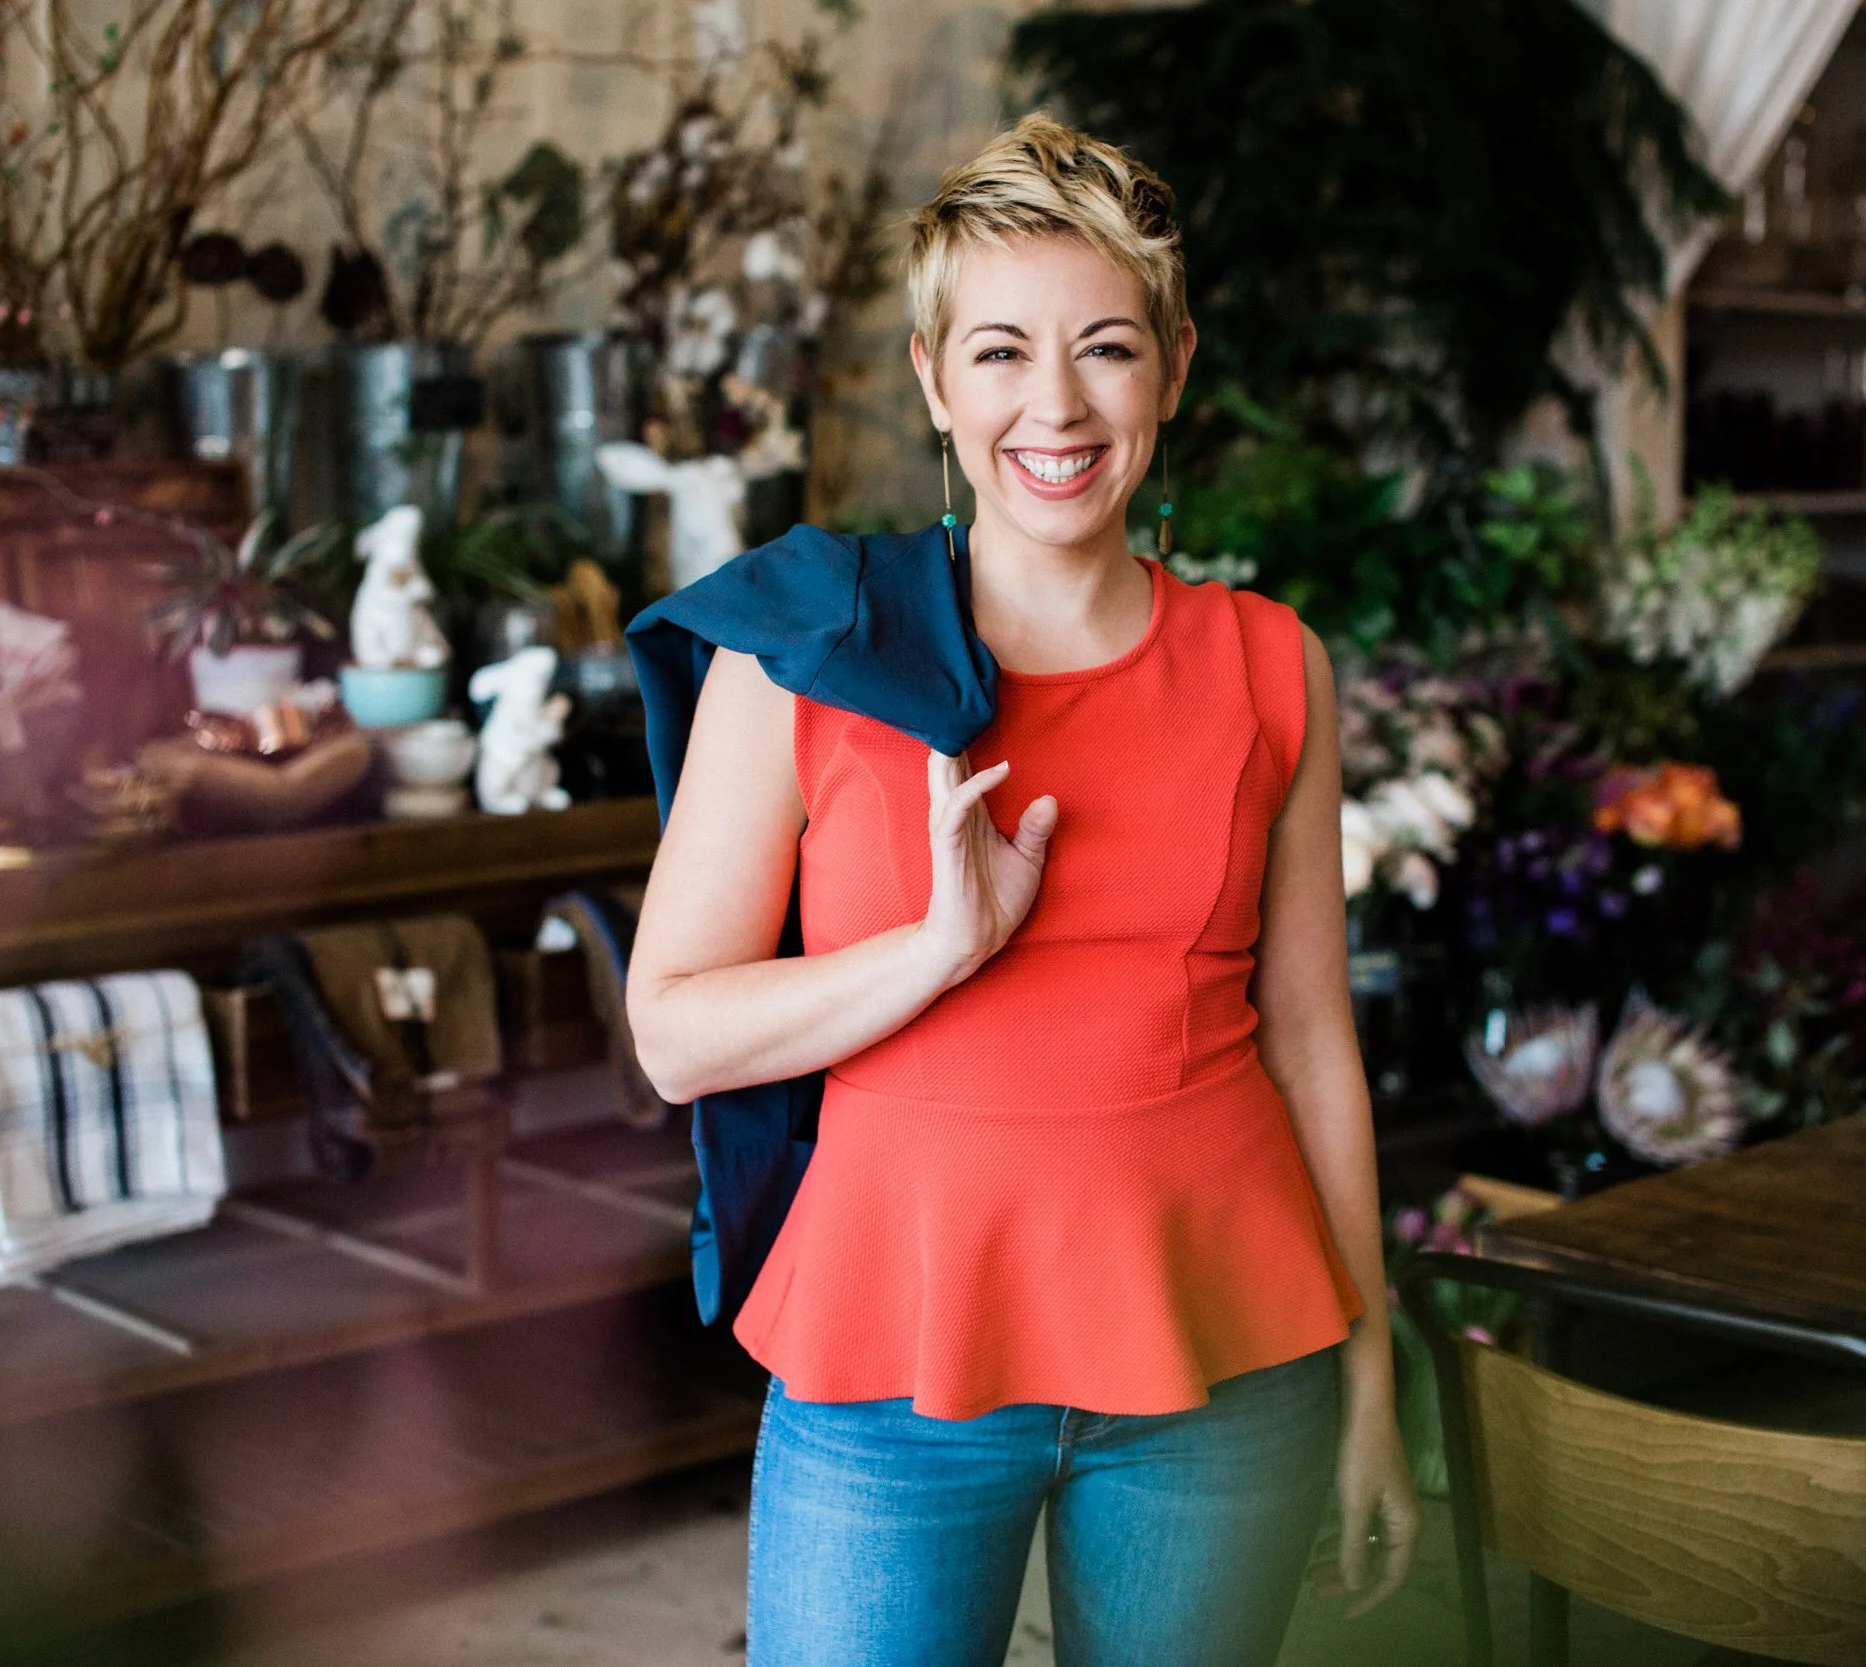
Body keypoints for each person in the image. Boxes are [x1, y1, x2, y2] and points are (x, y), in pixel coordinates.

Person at [625, 113, 1419, 1667]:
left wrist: (1371, 1376)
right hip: (890, 1358)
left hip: (1224, 1361)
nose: (1054, 405)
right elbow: (674, 1034)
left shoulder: (1271, 664)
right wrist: (937, 947)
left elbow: (1314, 1041)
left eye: (1107, 347)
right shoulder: (803, 656)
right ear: (934, 380)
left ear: (1175, 369)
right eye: (999, 352)